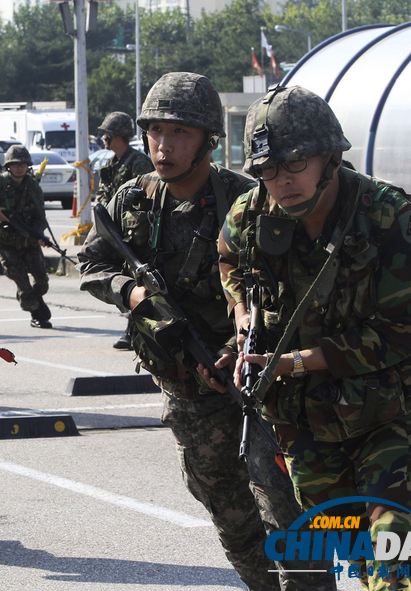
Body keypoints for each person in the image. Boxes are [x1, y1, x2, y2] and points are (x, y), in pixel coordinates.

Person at [78, 72, 335, 591]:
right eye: (155, 132)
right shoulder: (132, 201)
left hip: (259, 378)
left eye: (181, 134)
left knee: (284, 505)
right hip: (187, 388)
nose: (163, 146)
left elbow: (287, 291)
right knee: (222, 501)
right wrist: (131, 293)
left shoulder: (245, 201)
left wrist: (237, 345)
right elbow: (92, 266)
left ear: (208, 140)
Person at [216, 84, 411, 589]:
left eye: (294, 164)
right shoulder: (250, 216)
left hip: (386, 415)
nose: (282, 181)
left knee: (396, 558)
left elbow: (403, 329)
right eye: (268, 170)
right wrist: (241, 314)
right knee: (359, 556)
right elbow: (227, 257)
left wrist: (294, 361)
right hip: (305, 425)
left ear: (330, 158)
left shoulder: (386, 214)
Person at [95, 111, 155, 350]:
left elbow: (146, 196)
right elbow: (104, 194)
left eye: (106, 134)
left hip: (136, 230)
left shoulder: (138, 162)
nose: (103, 139)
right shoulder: (112, 164)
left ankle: (133, 331)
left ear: (116, 136)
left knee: (136, 278)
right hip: (116, 228)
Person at [0, 145, 54, 329]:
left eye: (23, 164)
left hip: (28, 241)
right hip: (5, 242)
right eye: (15, 164)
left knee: (42, 281)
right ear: (9, 166)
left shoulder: (32, 187)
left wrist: (39, 235)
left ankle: (35, 300)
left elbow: (40, 216)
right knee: (22, 282)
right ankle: (36, 313)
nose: (19, 168)